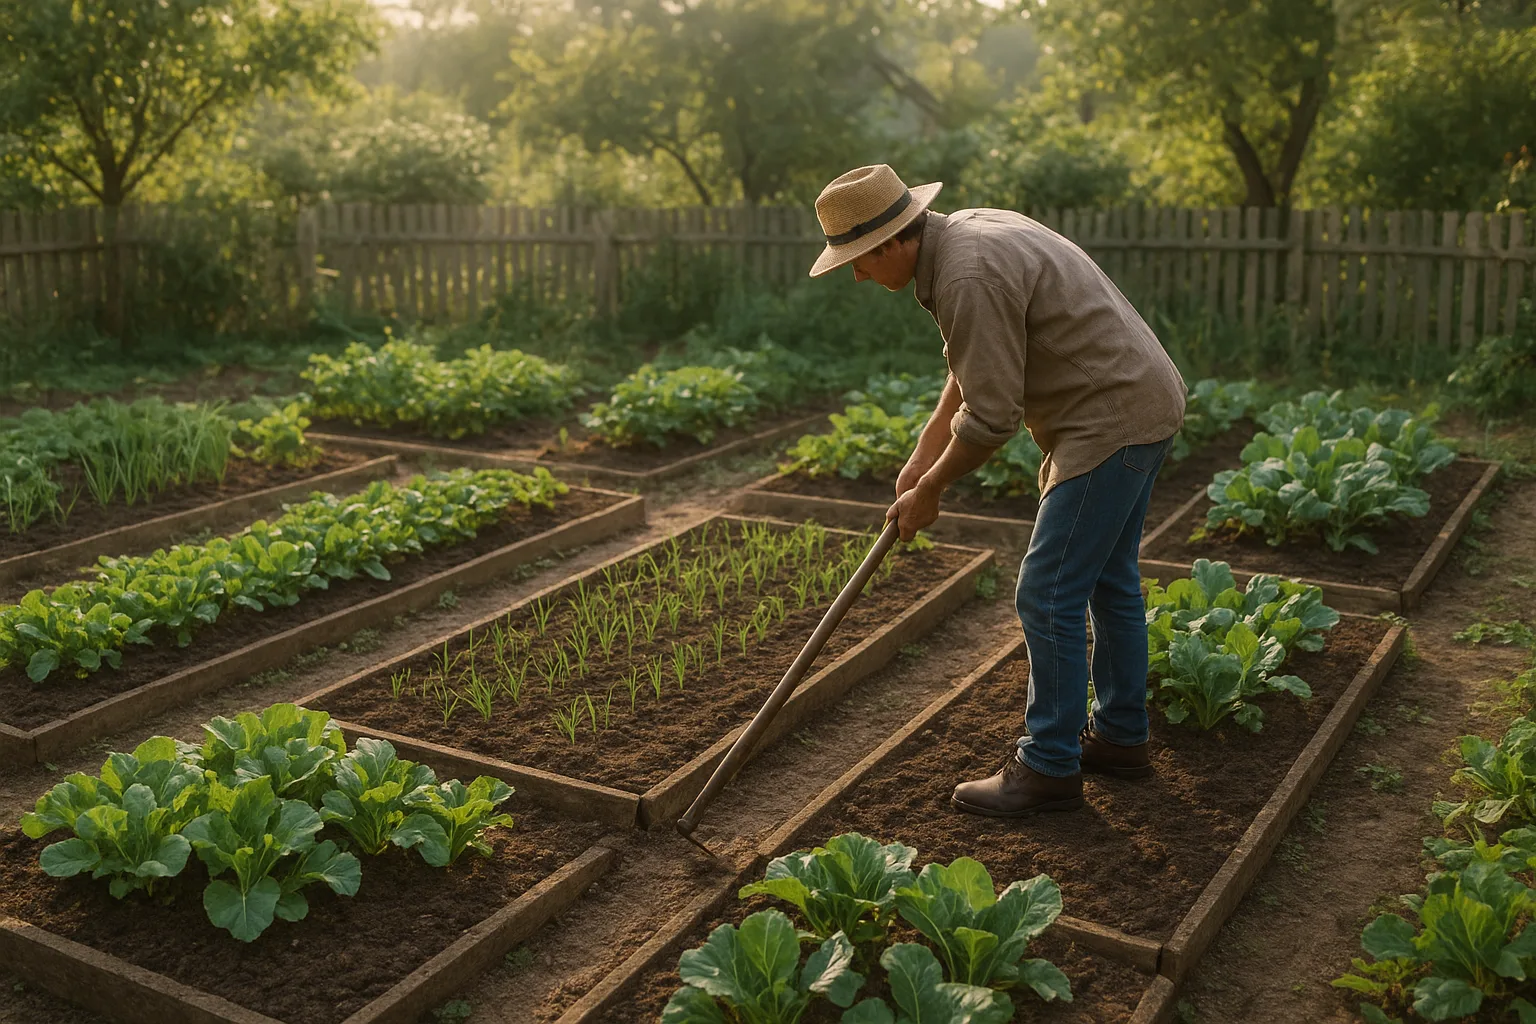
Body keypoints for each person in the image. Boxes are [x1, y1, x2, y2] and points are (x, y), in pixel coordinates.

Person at [808, 164, 1187, 818]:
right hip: (1140, 402)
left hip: (1109, 420)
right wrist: (922, 455)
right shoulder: (964, 236)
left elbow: (991, 418)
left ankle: (1048, 766)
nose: (857, 275)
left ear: (892, 242)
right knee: (1110, 579)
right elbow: (972, 367)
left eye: (858, 259)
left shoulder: (966, 275)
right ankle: (1121, 737)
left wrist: (932, 489)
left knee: (1047, 591)